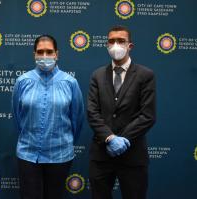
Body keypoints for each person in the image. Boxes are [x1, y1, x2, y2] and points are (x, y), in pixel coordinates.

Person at [87, 25, 156, 199]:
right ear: (106, 45)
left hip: (133, 156)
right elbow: (92, 112)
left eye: (121, 41)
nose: (116, 45)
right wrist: (110, 138)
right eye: (111, 41)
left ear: (130, 46)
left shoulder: (145, 75)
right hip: (102, 155)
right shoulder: (98, 75)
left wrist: (122, 140)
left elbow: (147, 115)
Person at [12, 35, 84, 199]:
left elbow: (77, 120)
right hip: (28, 155)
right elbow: (17, 117)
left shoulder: (70, 83)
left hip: (60, 156)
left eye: (49, 51)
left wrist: (64, 141)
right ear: (34, 54)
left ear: (56, 54)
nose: (45, 56)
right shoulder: (22, 82)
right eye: (40, 51)